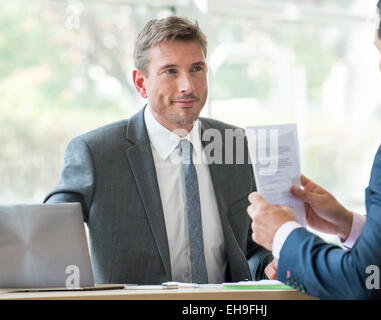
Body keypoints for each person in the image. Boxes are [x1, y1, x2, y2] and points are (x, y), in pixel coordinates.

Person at [45, 16, 271, 285]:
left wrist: (269, 265)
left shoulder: (234, 142)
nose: (187, 85)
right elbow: (46, 236)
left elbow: (251, 247)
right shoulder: (96, 153)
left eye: (196, 68)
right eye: (170, 71)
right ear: (141, 83)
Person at [247, 0, 381, 299]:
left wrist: (282, 236)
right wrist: (349, 224)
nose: (380, 66)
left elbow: (364, 280)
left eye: (378, 51)